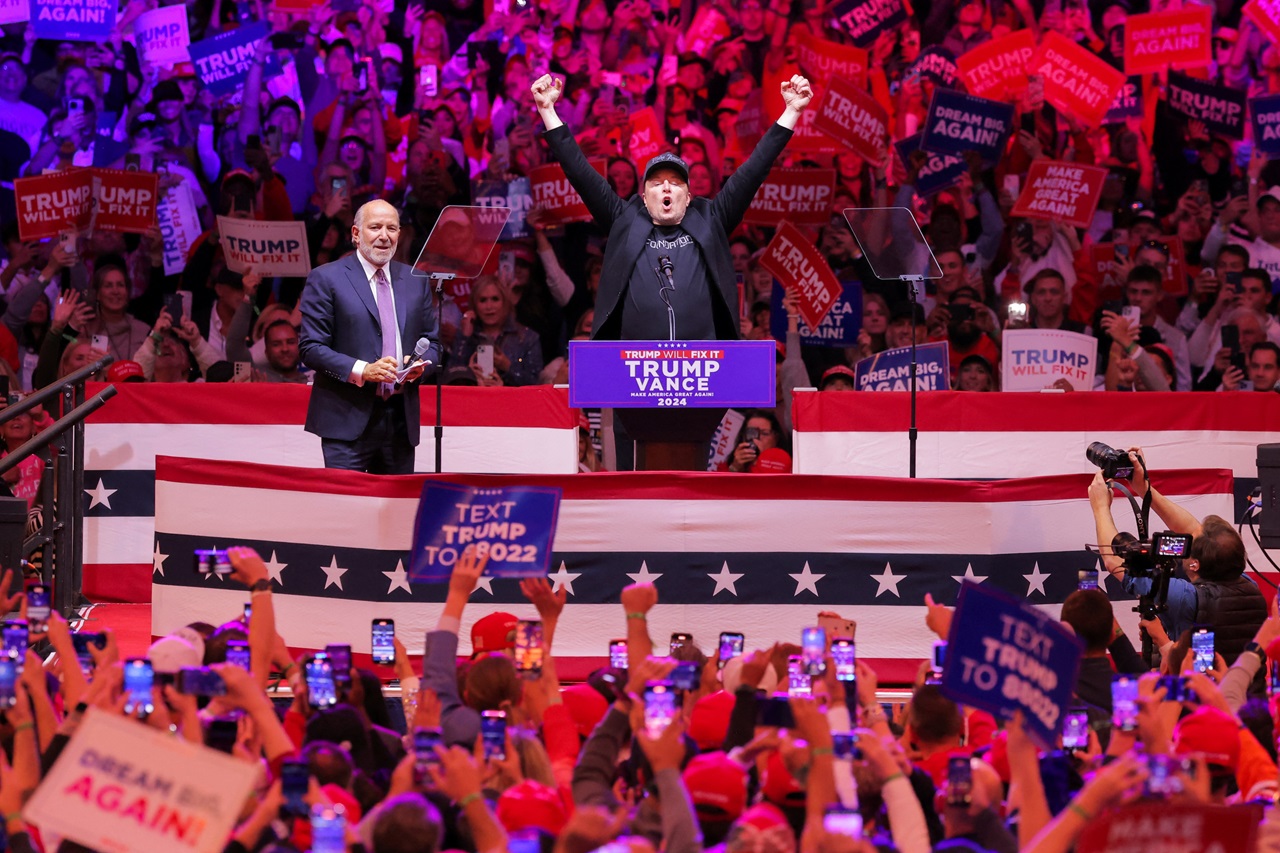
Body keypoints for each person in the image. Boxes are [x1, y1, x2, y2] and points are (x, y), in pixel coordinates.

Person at [530, 71, 813, 341]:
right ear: (643, 196)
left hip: (702, 368)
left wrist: (792, 112)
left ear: (689, 197)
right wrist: (547, 111)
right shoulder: (623, 219)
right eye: (656, 182)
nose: (666, 187)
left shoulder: (711, 218)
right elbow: (580, 172)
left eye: (676, 183)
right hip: (635, 368)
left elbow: (753, 170)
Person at [1089, 446, 1267, 666]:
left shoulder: (1186, 598)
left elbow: (1114, 561)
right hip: (1249, 694)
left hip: (1203, 696)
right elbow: (1196, 533)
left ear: (1194, 565)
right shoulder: (1249, 586)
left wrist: (1099, 507)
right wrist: (1145, 489)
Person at [299, 199, 440, 473]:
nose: (384, 236)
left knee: (394, 511)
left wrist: (418, 368)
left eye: (392, 228)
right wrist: (365, 370)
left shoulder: (416, 281)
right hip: (345, 419)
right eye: (375, 227)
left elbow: (433, 343)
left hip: (400, 420)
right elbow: (311, 347)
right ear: (355, 234)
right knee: (346, 510)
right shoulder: (326, 279)